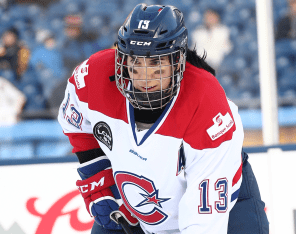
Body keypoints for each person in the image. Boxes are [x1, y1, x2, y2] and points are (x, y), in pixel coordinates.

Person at [58, 4, 268, 234]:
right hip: (139, 207)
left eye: (156, 63)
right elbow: (76, 123)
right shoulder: (95, 75)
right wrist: (98, 178)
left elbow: (203, 222)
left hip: (228, 211)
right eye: (136, 62)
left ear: (178, 60)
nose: (145, 77)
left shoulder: (205, 101)